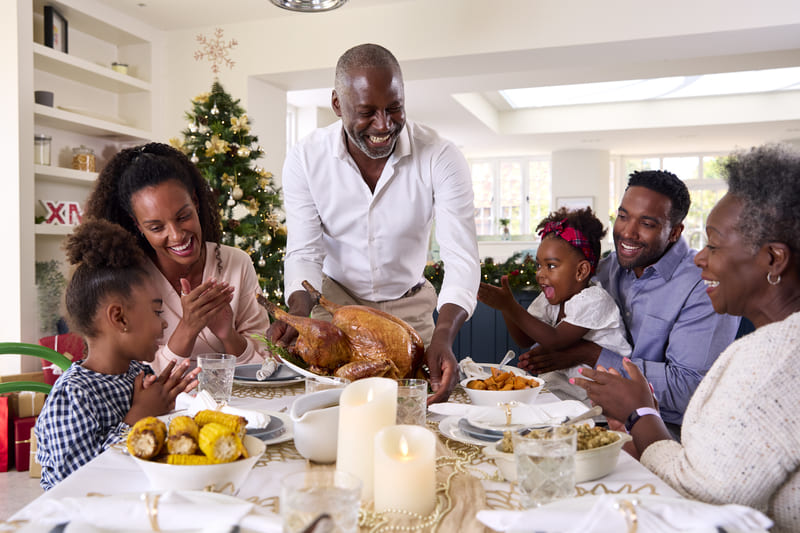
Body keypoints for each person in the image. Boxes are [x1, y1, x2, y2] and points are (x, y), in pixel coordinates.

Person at [573, 144, 800, 532]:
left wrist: (640, 412)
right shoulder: (776, 343)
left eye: (713, 244)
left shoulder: (777, 356)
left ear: (774, 260)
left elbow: (700, 492)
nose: (700, 257)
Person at [267, 43, 479, 403]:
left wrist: (443, 334)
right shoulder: (306, 158)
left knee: (418, 421)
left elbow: (461, 258)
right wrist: (299, 314)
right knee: (333, 413)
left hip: (410, 313)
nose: (384, 125)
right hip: (336, 310)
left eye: (394, 108)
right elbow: (304, 250)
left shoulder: (441, 156)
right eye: (366, 112)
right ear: (337, 104)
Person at [520, 170, 740, 435]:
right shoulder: (603, 270)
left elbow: (690, 390)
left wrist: (590, 354)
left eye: (647, 224)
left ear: (674, 232)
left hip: (668, 434)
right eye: (623, 216)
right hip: (587, 418)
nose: (628, 233)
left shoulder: (703, 284)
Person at [35, 219, 201, 490]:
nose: (163, 324)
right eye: (156, 312)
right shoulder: (72, 396)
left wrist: (166, 410)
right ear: (119, 317)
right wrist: (139, 417)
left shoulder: (139, 373)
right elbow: (79, 485)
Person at [84, 142, 270, 373]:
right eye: (156, 227)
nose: (177, 235)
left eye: (183, 217)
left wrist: (228, 335)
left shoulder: (236, 263)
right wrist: (188, 327)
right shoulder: (128, 278)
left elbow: (265, 366)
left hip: (237, 405)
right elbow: (129, 378)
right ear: (137, 225)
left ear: (195, 201)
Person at [478, 207, 630, 402]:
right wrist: (506, 308)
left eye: (551, 266)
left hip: (602, 398)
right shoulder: (551, 300)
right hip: (568, 391)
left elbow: (556, 340)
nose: (540, 273)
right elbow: (524, 340)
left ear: (581, 271)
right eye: (539, 265)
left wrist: (511, 307)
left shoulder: (594, 299)